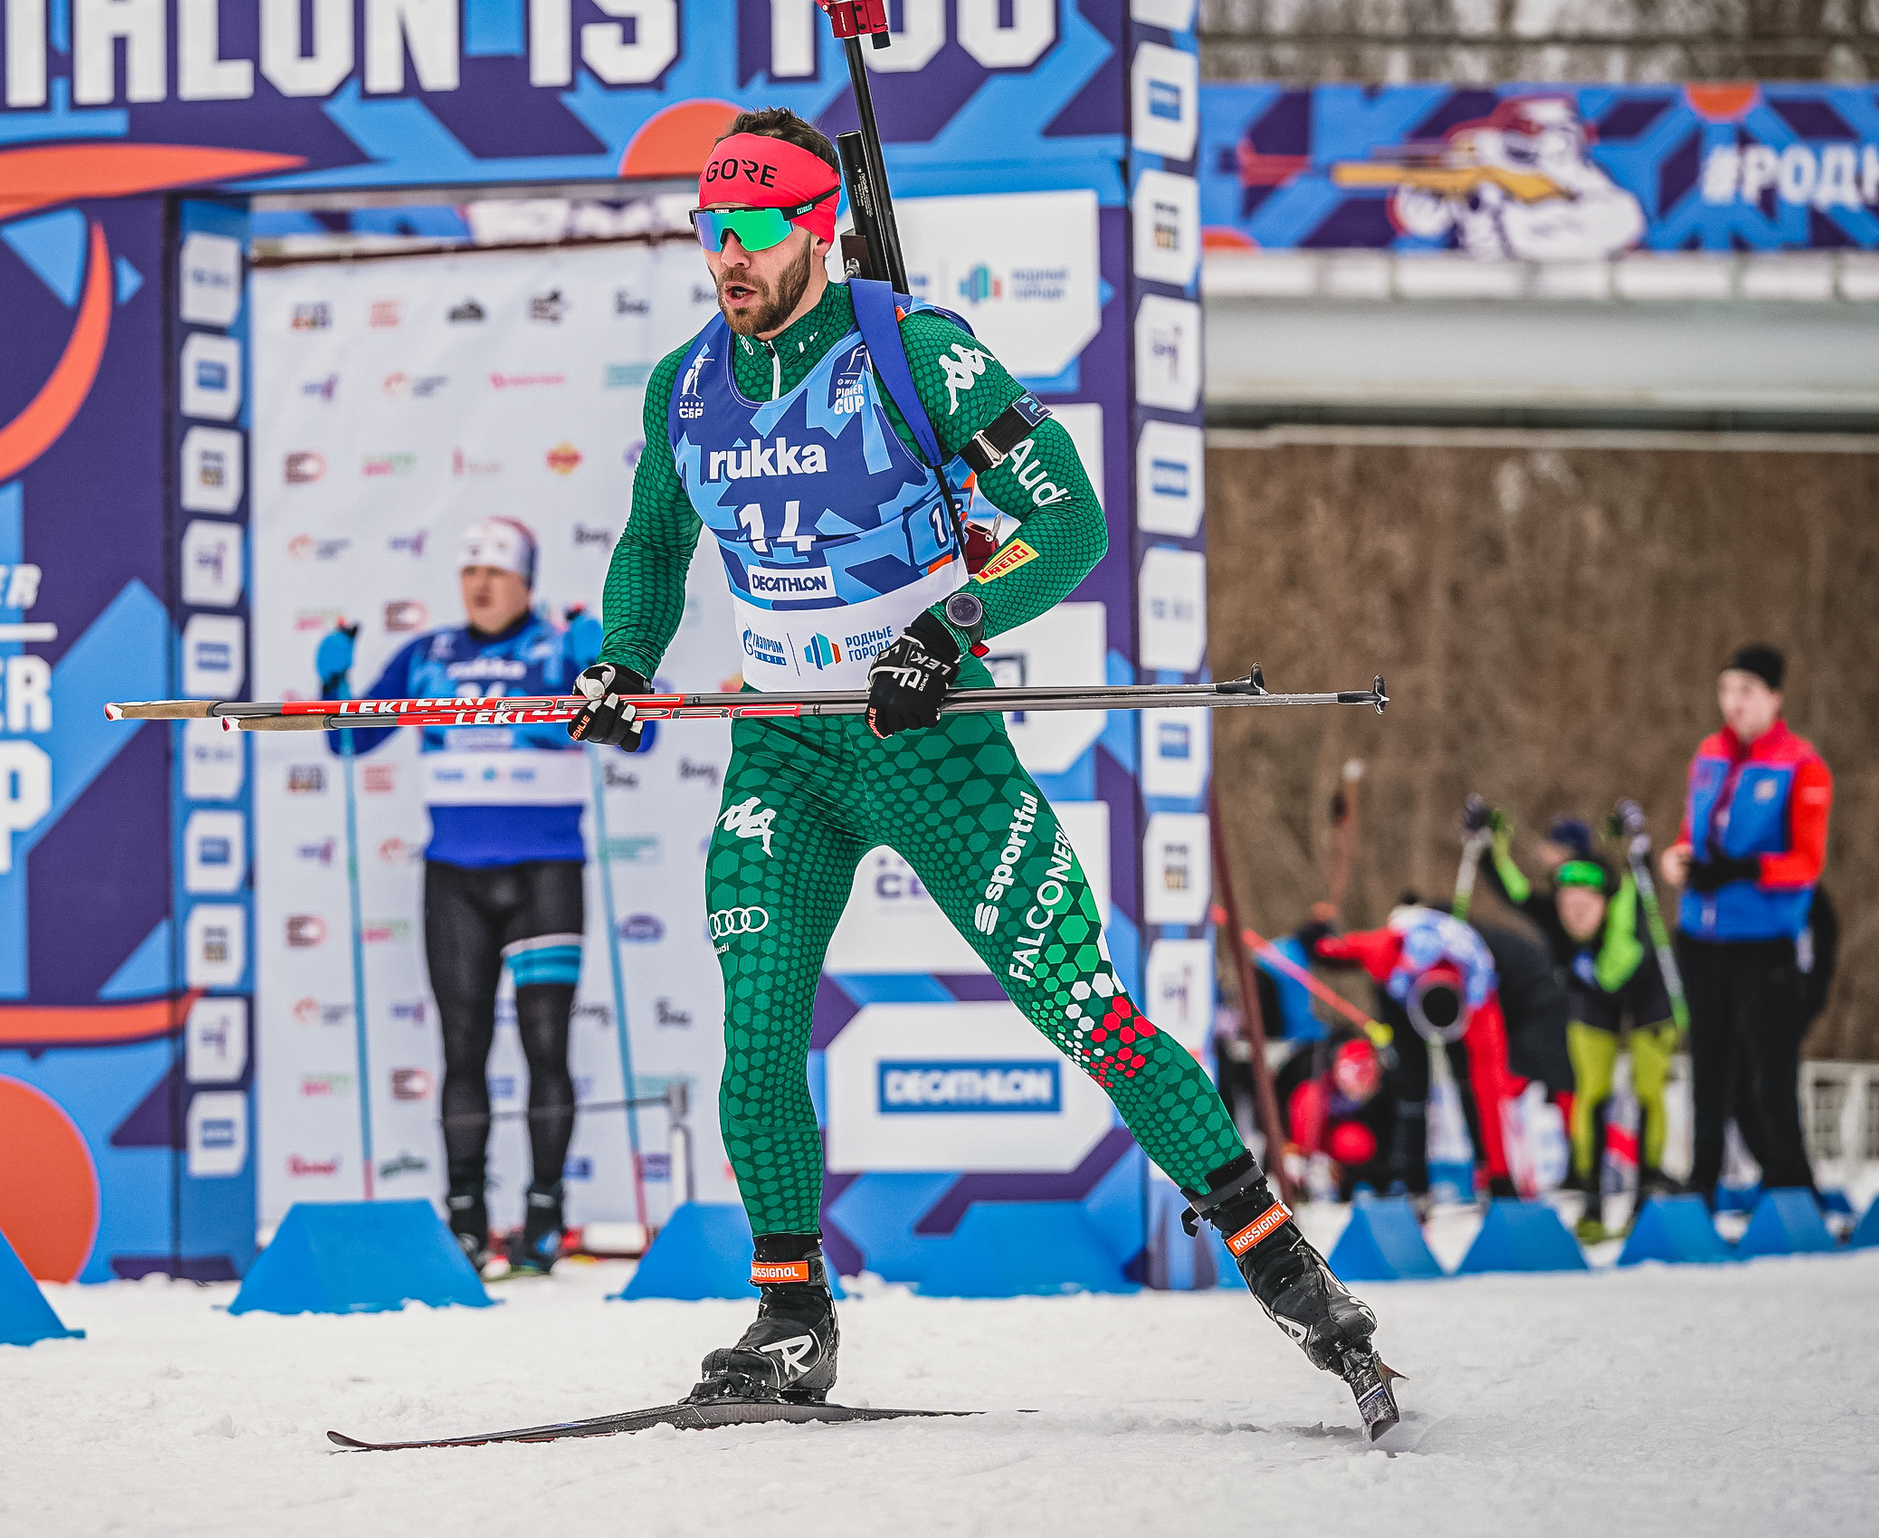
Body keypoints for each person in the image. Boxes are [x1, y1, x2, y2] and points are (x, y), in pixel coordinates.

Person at [567, 107, 1387, 1413]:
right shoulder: (687, 381)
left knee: (1083, 1007)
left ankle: (1289, 1269)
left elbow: (1069, 521)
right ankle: (791, 1315)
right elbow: (652, 549)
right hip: (782, 747)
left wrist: (946, 627)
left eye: (759, 227)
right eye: (711, 227)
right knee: (759, 1033)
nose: (729, 252)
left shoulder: (917, 353)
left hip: (929, 745)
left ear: (816, 227)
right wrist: (620, 657)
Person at [318, 519, 624, 1275]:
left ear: (526, 579)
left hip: (546, 873)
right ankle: (465, 1220)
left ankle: (545, 1217)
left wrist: (601, 674)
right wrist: (334, 684)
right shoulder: (429, 655)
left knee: (545, 1044)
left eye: (496, 570)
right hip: (453, 874)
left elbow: (635, 738)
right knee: (463, 1049)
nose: (481, 584)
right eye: (469, 572)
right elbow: (348, 739)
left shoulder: (557, 647)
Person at [1660, 643, 1828, 1204]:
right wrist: (1680, 859)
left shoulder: (1801, 766)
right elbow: (1692, 831)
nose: (1734, 703)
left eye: (1747, 692)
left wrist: (1745, 869)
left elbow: (1807, 862)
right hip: (1701, 936)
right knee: (1708, 1066)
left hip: (1762, 941)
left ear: (1774, 698)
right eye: (1727, 690)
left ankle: (1791, 1184)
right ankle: (1702, 1178)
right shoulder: (1708, 754)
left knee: (1769, 1069)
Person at [1495, 816, 1680, 1236]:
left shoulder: (1623, 916)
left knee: (1647, 1092)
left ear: (1604, 900)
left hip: (1646, 997)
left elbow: (1617, 965)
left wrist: (1639, 845)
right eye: (1567, 904)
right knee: (1592, 1093)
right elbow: (1516, 893)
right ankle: (1592, 1196)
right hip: (1594, 1003)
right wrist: (1493, 844)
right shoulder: (1558, 913)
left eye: (1586, 904)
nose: (1575, 913)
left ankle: (1646, 1195)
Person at [1304, 903, 1521, 1199]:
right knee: (1412, 1083)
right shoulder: (1386, 951)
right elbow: (1334, 950)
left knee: (1471, 1084)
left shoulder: (1479, 990)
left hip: (1459, 1003)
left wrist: (1501, 1175)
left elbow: (1490, 1088)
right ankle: (1410, 1179)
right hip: (1400, 997)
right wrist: (1318, 936)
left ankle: (1488, 1173)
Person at [1278, 1035, 1394, 1200]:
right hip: (1300, 1137)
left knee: (1360, 1143)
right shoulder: (1313, 1076)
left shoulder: (1377, 1092)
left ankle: (1329, 1176)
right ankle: (1302, 1166)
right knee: (1310, 1097)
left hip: (1333, 1138)